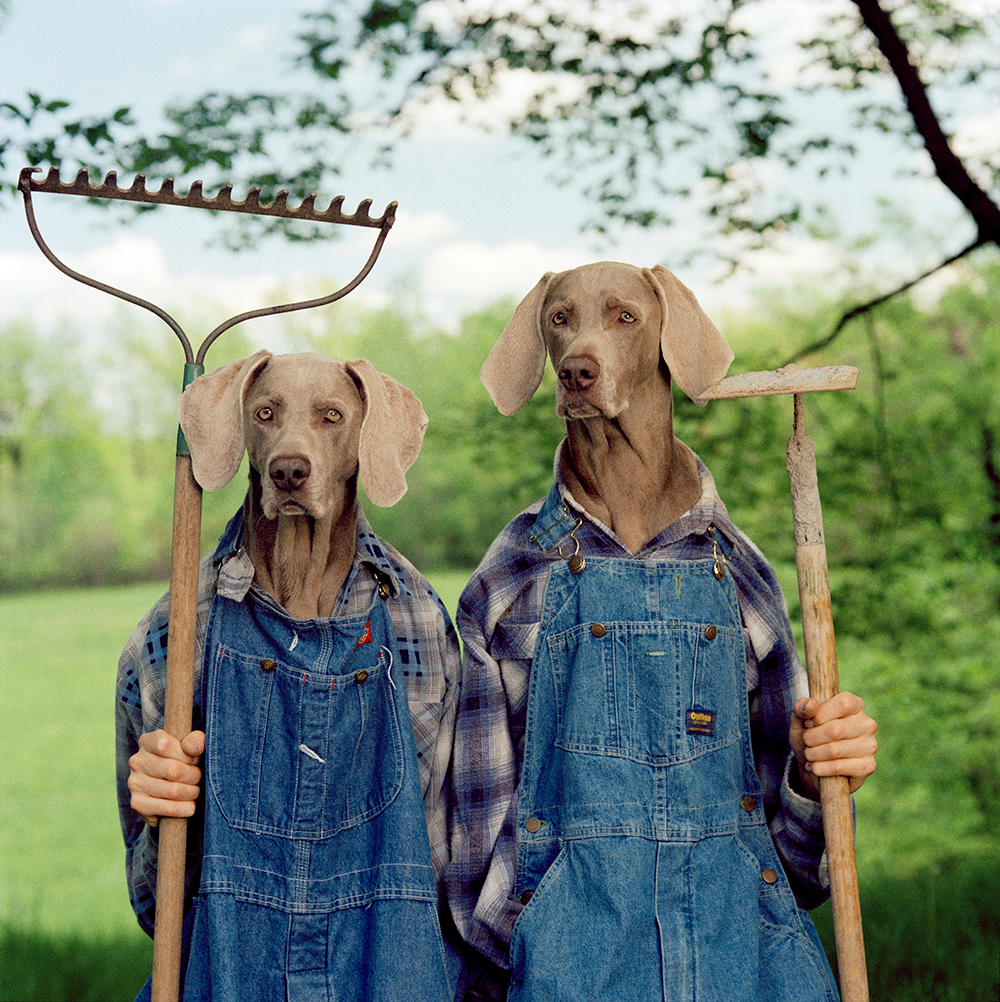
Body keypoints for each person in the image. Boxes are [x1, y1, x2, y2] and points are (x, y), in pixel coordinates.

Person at [442, 262, 879, 1002]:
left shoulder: (742, 578)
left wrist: (817, 774)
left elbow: (805, 868)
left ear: (666, 344)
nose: (583, 348)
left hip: (743, 967)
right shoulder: (509, 583)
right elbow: (474, 867)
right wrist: (551, 946)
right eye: (562, 323)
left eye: (622, 319)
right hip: (568, 974)